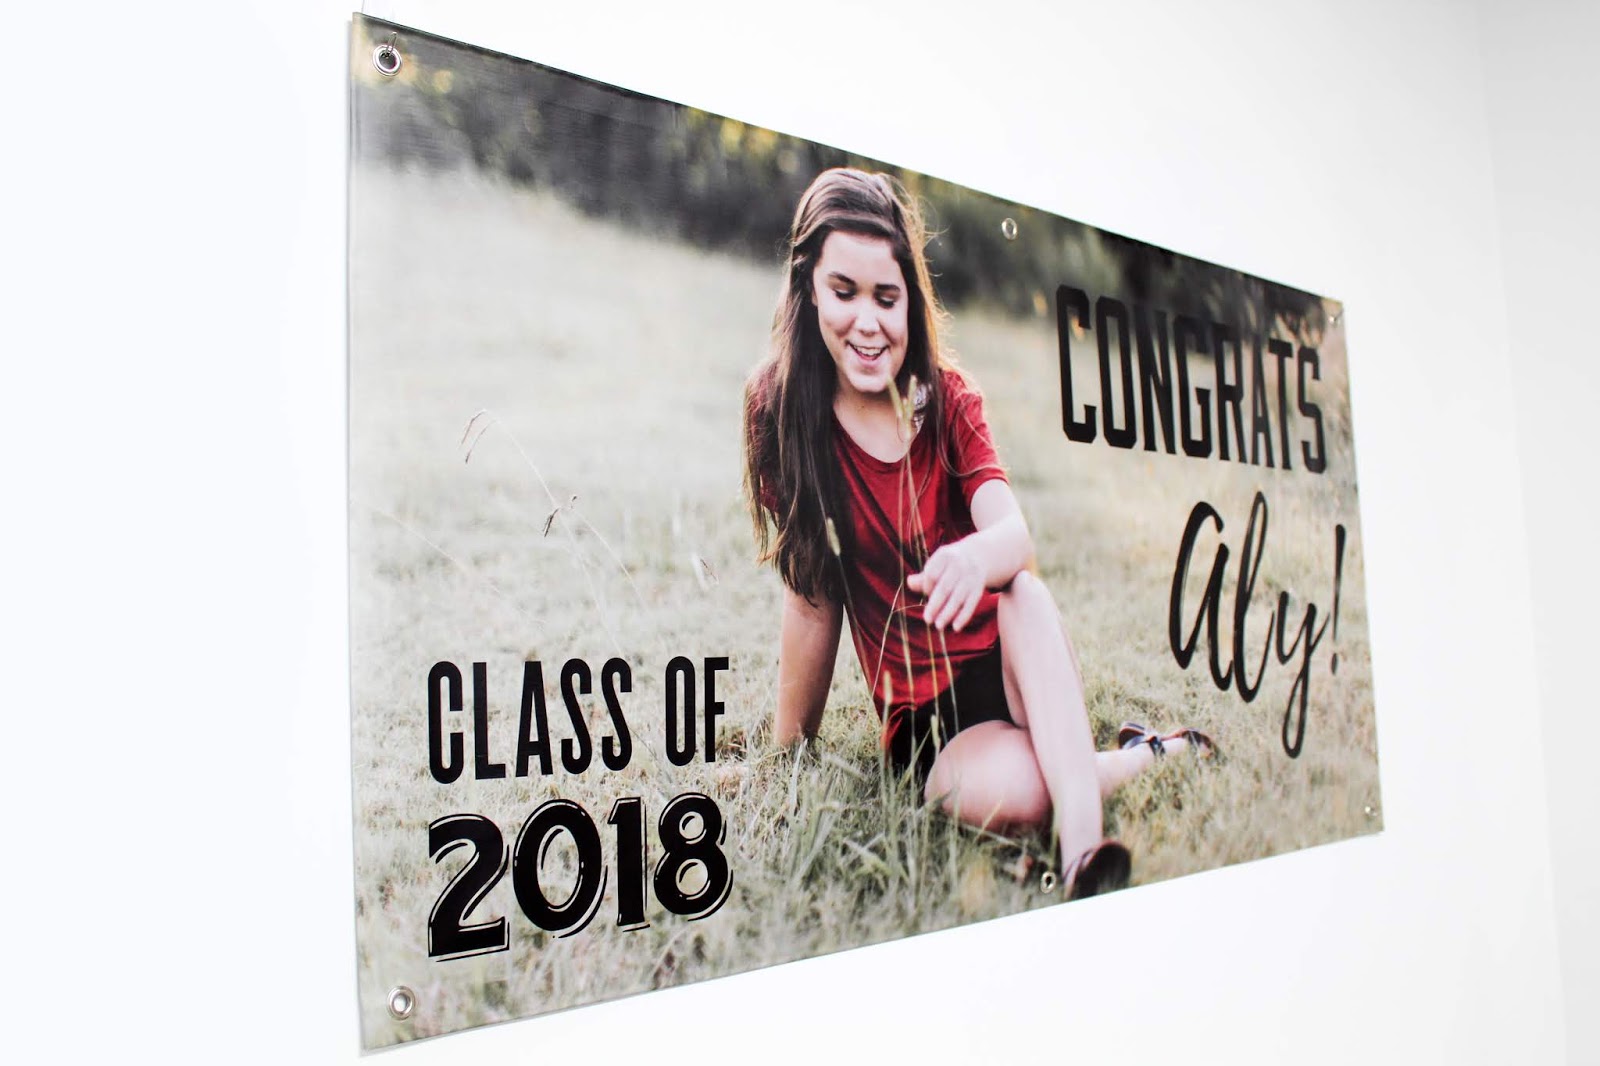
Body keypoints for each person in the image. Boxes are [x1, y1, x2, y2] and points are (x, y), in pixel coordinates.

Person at [742, 167, 1210, 898]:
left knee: (1022, 591)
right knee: (1025, 794)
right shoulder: (782, 413)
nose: (868, 322)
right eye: (844, 292)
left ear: (911, 300)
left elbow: (1015, 538)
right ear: (808, 289)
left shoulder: (951, 400)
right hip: (930, 724)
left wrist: (975, 557)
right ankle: (1142, 755)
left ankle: (1083, 856)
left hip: (1016, 661)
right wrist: (789, 753)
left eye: (886, 297)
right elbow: (811, 598)